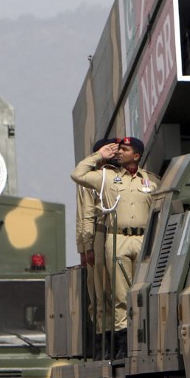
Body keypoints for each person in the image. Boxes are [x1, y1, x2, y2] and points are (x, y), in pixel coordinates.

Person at [71, 137, 159, 351]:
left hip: (143, 240)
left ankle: (146, 340)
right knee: (118, 295)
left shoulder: (151, 180)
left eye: (124, 149)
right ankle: (121, 344)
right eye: (117, 149)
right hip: (115, 237)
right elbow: (77, 175)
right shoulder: (106, 178)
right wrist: (99, 155)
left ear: (136, 155)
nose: (119, 152)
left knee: (145, 292)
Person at [76, 138, 111, 327]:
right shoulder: (89, 181)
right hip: (96, 235)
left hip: (114, 234)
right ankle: (101, 334)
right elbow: (83, 216)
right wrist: (84, 247)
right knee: (97, 290)